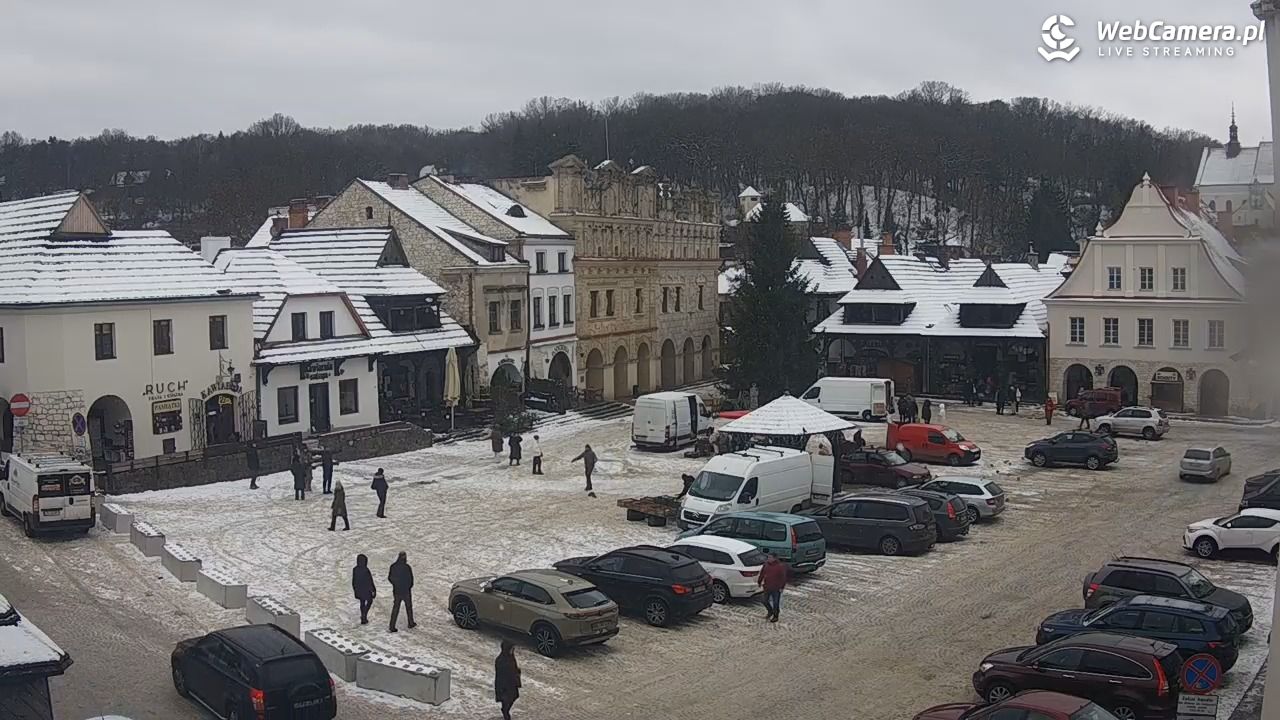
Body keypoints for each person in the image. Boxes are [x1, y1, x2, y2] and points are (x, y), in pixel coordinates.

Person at [387, 551, 416, 632]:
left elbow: (390, 577)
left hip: (397, 591)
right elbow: (411, 579)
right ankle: (410, 622)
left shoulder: (393, 566)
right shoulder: (407, 567)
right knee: (409, 607)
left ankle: (392, 625)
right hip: (406, 591)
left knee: (395, 608)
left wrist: (395, 584)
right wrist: (408, 587)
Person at [494, 640, 521, 720]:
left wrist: (517, 672)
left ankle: (505, 709)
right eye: (512, 648)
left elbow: (513, 667)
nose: (513, 650)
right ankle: (505, 712)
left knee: (514, 696)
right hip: (505, 684)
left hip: (512, 683)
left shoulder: (511, 657)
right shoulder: (501, 660)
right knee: (506, 698)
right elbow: (501, 675)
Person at [757, 552, 788, 622]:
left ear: (774, 558)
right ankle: (770, 611)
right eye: (768, 557)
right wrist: (759, 581)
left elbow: (783, 578)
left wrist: (781, 587)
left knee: (775, 603)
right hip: (767, 587)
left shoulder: (780, 566)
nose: (768, 559)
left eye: (770, 557)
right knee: (764, 601)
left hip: (776, 588)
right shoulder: (766, 565)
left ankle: (775, 616)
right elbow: (762, 573)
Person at [351, 554, 376, 625]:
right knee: (369, 601)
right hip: (366, 589)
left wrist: (355, 589)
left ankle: (363, 615)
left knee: (362, 602)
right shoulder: (366, 570)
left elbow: (354, 580)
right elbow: (369, 581)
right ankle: (364, 615)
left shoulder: (355, 569)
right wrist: (373, 590)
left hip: (359, 589)